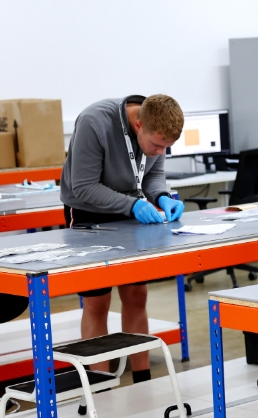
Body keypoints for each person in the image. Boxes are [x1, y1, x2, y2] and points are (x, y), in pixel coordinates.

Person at [61, 94, 186, 381]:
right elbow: (83, 186)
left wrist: (162, 196)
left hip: (131, 209)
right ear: (139, 125)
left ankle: (142, 380)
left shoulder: (157, 126)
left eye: (166, 148)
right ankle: (100, 385)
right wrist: (133, 205)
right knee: (97, 302)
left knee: (136, 295)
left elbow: (152, 175)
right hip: (89, 213)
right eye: (157, 145)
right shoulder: (94, 123)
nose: (159, 152)